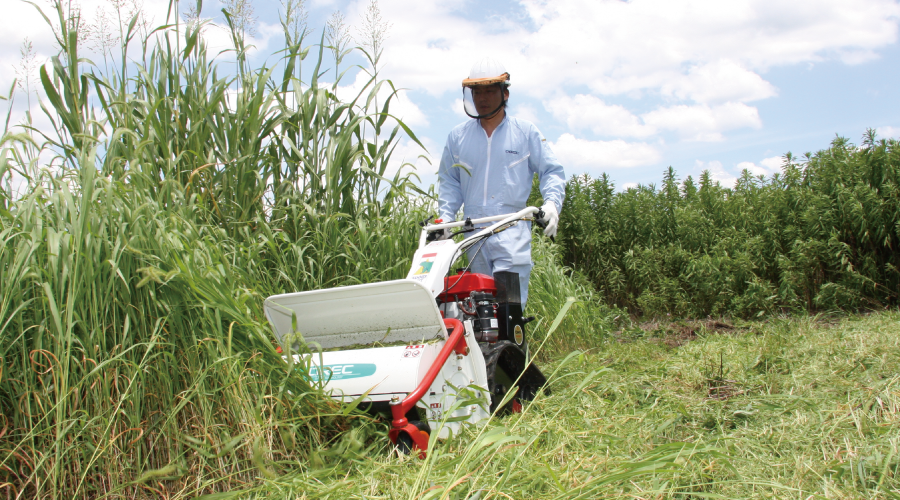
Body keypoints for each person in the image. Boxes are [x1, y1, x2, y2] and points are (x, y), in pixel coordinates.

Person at [437, 57, 566, 308]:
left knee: (510, 309)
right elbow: (450, 182)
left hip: (511, 229)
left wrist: (551, 204)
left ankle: (514, 348)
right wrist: (445, 218)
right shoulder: (458, 137)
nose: (482, 98)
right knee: (480, 308)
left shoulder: (525, 133)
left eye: (489, 90)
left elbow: (551, 171)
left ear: (505, 93)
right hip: (473, 232)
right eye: (477, 92)